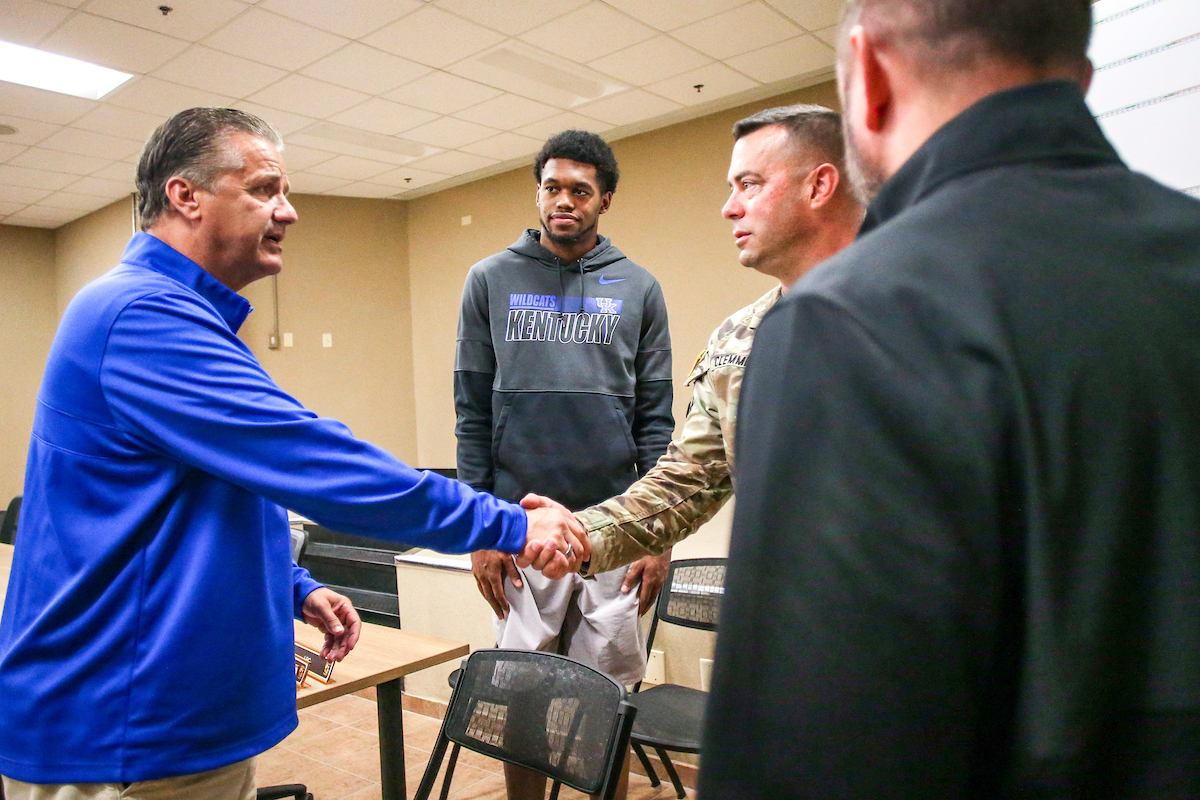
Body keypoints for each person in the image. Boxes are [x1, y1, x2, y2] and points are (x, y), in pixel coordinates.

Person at [0, 108, 586, 800]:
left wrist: (292, 586)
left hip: (161, 716)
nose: (290, 211)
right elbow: (314, 461)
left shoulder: (171, 313)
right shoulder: (142, 315)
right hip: (126, 727)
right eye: (265, 188)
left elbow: (194, 501)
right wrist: (510, 525)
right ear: (184, 196)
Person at [701, 0, 1200, 797]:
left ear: (867, 73)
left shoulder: (852, 322)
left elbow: (815, 764)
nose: (730, 207)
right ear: (1080, 77)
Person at [454, 130, 673, 799]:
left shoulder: (639, 287)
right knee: (520, 700)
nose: (564, 201)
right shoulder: (490, 279)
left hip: (614, 529)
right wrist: (481, 532)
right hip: (521, 530)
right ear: (539, 191)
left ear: (604, 198)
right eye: (552, 187)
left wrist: (657, 535)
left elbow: (658, 424)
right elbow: (471, 413)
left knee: (606, 699)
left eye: (580, 189)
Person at [551, 106, 861, 577]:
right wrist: (578, 535)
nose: (729, 207)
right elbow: (689, 481)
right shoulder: (739, 340)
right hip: (787, 611)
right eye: (731, 188)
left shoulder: (928, 312)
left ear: (818, 185)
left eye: (749, 184)